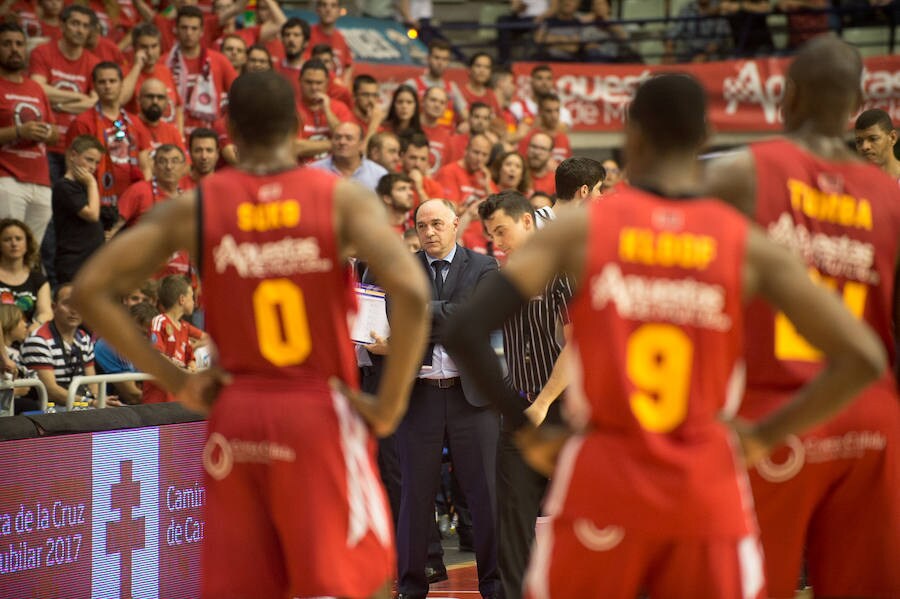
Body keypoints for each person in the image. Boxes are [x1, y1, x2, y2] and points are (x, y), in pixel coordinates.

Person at [443, 72, 888, 599]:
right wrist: (765, 435)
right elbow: (863, 356)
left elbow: (464, 329)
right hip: (703, 477)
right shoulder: (742, 242)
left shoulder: (577, 232)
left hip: (609, 468)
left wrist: (526, 424)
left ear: (631, 138)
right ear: (703, 138)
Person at [71, 70, 430, 599]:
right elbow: (415, 294)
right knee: (360, 578)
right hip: (316, 405)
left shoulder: (200, 204)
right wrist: (389, 406)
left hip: (236, 410)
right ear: (298, 127)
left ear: (228, 128)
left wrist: (177, 379)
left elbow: (90, 290)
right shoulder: (340, 200)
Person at [703, 36, 900, 599]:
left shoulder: (743, 172)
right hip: (872, 412)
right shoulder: (891, 196)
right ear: (855, 102)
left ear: (786, 97)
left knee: (751, 585)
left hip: (779, 407)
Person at [395, 198, 500, 599]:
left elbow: (481, 317)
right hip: (419, 395)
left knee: (486, 497)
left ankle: (495, 586)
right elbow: (395, 314)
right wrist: (451, 317)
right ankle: (410, 586)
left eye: (437, 224)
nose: (430, 233)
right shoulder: (404, 268)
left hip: (471, 397)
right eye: (422, 226)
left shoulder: (483, 266)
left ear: (456, 224)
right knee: (414, 498)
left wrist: (424, 314)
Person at [477, 190, 572, 599]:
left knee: (591, 515)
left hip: (564, 408)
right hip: (520, 407)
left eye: (502, 230)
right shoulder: (504, 276)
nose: (497, 241)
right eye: (490, 234)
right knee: (513, 520)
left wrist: (544, 402)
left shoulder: (561, 270)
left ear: (528, 222)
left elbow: (577, 345)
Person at [65, 62, 153, 223]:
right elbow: (72, 167)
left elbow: (146, 165)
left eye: (112, 81)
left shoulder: (135, 122)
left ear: (121, 84)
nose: (107, 86)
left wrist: (146, 198)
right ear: (94, 86)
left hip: (131, 203)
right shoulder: (83, 122)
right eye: (102, 82)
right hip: (95, 204)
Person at [0, 22, 58, 248]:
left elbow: (54, 135)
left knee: (31, 254)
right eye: (6, 44)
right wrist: (18, 131)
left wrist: (47, 131)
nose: (14, 49)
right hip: (7, 178)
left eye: (19, 44)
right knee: (6, 249)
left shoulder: (35, 87)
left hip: (41, 180)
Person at [28, 4, 99, 183]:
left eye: (85, 25)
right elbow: (37, 88)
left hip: (78, 150)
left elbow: (96, 103)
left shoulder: (93, 62)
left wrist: (56, 103)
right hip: (45, 144)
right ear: (62, 24)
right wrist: (79, 97)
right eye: (75, 23)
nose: (80, 30)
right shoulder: (43, 52)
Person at [22, 283, 105, 407]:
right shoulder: (38, 340)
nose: (74, 310)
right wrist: (90, 403)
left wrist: (101, 402)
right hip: (49, 410)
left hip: (80, 404)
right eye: (67, 304)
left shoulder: (84, 338)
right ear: (53, 307)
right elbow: (51, 392)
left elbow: (92, 383)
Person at [165, 6, 238, 135]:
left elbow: (239, 94)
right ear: (175, 29)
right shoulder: (164, 62)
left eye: (194, 28)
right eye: (184, 28)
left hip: (210, 137)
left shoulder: (219, 61)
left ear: (202, 31)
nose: (189, 33)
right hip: (174, 134)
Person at [51, 135, 104, 284]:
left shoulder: (85, 187)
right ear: (73, 155)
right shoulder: (64, 186)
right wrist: (92, 184)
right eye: (89, 159)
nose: (93, 167)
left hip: (92, 259)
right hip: (74, 262)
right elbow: (92, 215)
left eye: (97, 162)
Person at [121, 23, 184, 134]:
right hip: (139, 137)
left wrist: (180, 134)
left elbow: (178, 106)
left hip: (168, 137)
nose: (150, 52)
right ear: (135, 48)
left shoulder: (165, 71)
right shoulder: (125, 72)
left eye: (154, 46)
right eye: (144, 47)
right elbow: (120, 100)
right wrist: (137, 66)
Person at [143, 274, 195, 404]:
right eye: (192, 297)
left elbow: (190, 358)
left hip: (179, 399)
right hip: (158, 399)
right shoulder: (159, 321)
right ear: (182, 299)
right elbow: (156, 355)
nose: (194, 302)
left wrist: (192, 367)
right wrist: (182, 372)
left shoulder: (184, 327)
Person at [294, 59, 353, 163]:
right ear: (300, 81)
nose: (314, 87)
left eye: (319, 83)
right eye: (309, 82)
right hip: (302, 171)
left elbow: (346, 138)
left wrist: (327, 110)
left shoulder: (340, 108)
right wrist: (336, 145)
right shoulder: (291, 108)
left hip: (333, 173)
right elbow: (295, 147)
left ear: (327, 83)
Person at [116, 144, 186, 230]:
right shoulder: (139, 190)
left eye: (174, 161)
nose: (169, 167)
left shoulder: (186, 198)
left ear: (183, 166)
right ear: (154, 167)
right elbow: (113, 229)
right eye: (162, 161)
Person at [0, 218, 51, 330]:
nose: (14, 243)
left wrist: (35, 326)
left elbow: (46, 313)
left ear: (27, 244)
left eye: (18, 239)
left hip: (25, 336)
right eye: (7, 239)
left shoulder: (37, 279)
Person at [311, 122, 388, 190]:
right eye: (337, 138)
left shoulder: (378, 174)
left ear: (361, 144)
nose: (342, 142)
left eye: (349, 138)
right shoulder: (313, 171)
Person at [307, 0, 353, 86]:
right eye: (324, 5)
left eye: (333, 6)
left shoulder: (341, 37)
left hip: (336, 92)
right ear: (317, 10)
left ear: (339, 11)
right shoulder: (308, 35)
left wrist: (344, 85)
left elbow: (349, 65)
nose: (328, 9)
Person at [518, 93, 571, 164]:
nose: (554, 116)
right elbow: (522, 165)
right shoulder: (530, 137)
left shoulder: (564, 138)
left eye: (557, 110)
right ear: (540, 111)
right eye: (549, 111)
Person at [137, 78, 187, 153]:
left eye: (160, 97)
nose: (155, 101)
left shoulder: (173, 132)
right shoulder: (129, 126)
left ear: (167, 102)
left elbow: (185, 163)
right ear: (139, 99)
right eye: (150, 96)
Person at [854, 108, 900, 182]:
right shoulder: (851, 184)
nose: (864, 146)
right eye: (859, 141)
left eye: (873, 139)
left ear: (892, 138)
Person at [399, 131, 444, 205]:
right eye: (413, 158)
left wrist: (420, 190)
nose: (417, 164)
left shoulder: (434, 187)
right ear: (402, 157)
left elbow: (433, 215)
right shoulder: (391, 179)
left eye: (423, 159)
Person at [524, 131, 556, 195]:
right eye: (533, 146)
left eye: (543, 149)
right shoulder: (517, 177)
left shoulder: (556, 182)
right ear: (527, 148)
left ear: (550, 154)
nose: (536, 152)